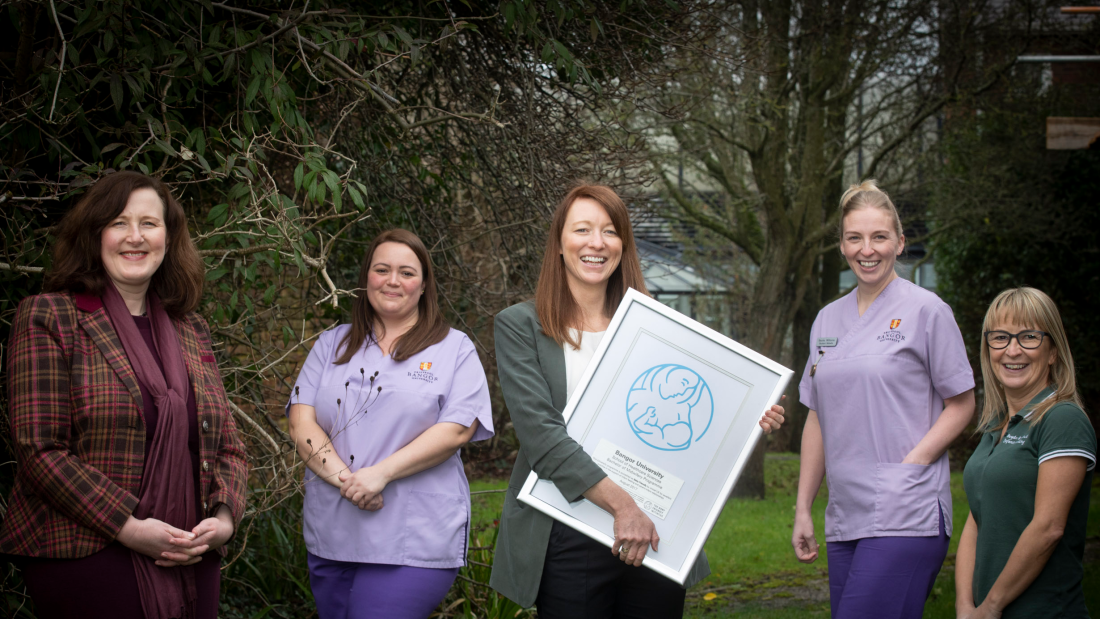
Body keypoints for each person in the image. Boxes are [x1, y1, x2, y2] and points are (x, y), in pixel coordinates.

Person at [489, 184, 786, 618]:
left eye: (609, 231)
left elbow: (692, 412)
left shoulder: (656, 325)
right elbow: (541, 436)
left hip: (656, 529)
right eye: (582, 230)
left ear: (623, 244)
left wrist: (747, 415)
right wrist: (623, 506)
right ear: (558, 243)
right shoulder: (519, 326)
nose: (596, 243)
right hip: (568, 528)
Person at [0, 171, 248, 619]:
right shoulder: (50, 317)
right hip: (87, 551)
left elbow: (228, 444)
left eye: (149, 224)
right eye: (118, 222)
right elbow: (39, 449)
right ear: (95, 235)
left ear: (168, 239)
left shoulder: (190, 330)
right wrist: (128, 526)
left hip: (190, 550)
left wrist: (225, 519)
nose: (135, 237)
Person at [791, 180, 976, 619]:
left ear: (900, 242)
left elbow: (963, 402)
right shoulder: (825, 319)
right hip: (845, 515)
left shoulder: (927, 311)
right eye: (855, 238)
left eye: (879, 237)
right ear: (841, 245)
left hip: (906, 511)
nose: (866, 249)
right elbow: (818, 417)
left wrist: (911, 466)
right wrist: (803, 507)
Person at [287, 228, 494, 619]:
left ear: (424, 284)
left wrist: (379, 475)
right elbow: (302, 424)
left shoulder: (454, 349)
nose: (393, 281)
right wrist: (350, 483)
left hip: (414, 539)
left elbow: (457, 429)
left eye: (407, 272)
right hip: (334, 532)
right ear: (366, 279)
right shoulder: (331, 344)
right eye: (382, 270)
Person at [955, 287, 1095, 619]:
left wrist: (990, 607)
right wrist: (964, 606)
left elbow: (1048, 527)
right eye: (1000, 337)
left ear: (1052, 352)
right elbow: (977, 518)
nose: (1012, 350)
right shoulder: (995, 425)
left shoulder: (1062, 419)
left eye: (1029, 337)